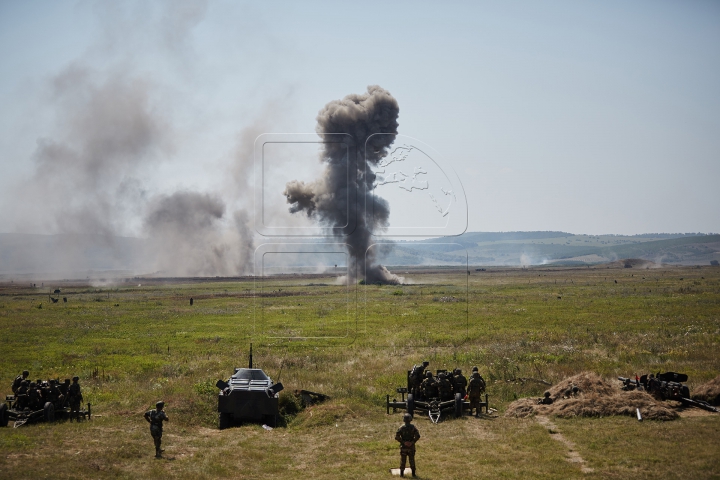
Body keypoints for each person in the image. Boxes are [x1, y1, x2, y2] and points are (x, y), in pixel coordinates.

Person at [395, 413, 420, 478]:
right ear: (410, 419)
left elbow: (397, 437)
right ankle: (413, 474)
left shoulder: (401, 427)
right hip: (411, 447)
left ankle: (402, 474)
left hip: (403, 447)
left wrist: (403, 442)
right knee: (412, 460)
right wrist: (412, 442)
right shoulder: (413, 427)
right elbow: (417, 436)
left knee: (403, 460)